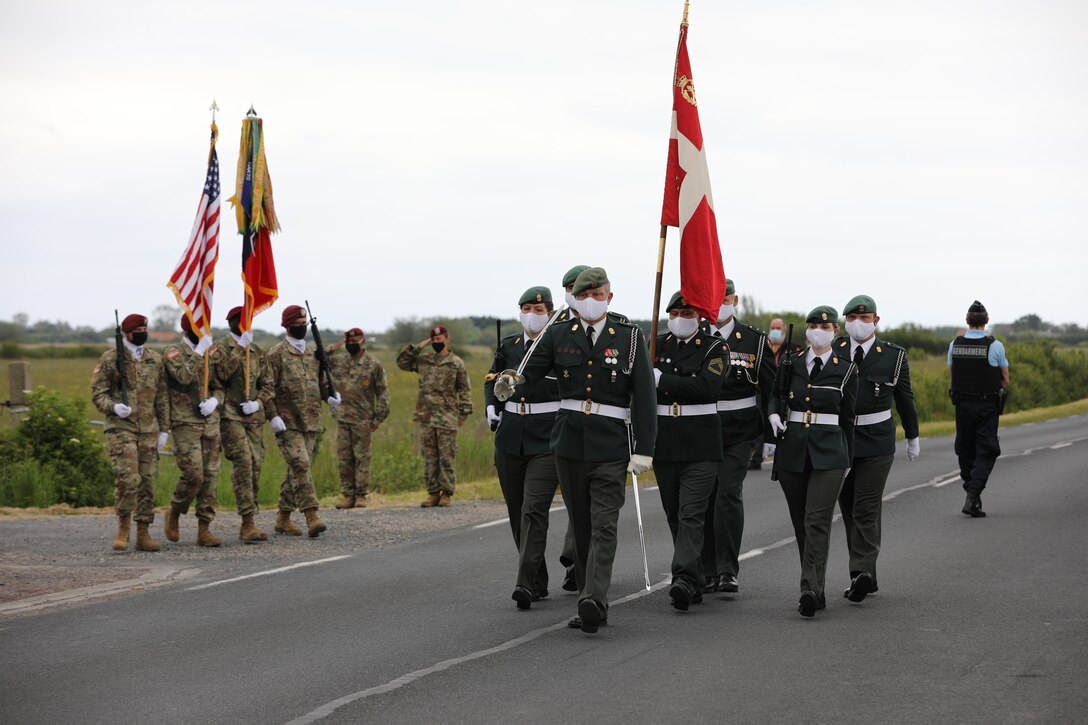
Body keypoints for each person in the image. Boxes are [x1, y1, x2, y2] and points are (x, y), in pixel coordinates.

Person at [494, 267, 657, 634]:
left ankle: (594, 599)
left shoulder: (630, 338)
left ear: (609, 298)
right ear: (574, 299)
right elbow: (529, 374)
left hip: (611, 444)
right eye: (584, 295)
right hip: (567, 444)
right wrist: (509, 383)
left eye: (598, 295)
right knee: (581, 525)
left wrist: (644, 448)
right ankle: (587, 592)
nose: (590, 301)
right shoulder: (557, 334)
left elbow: (645, 396)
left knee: (604, 523)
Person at [768, 305, 857, 618]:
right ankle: (816, 589)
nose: (818, 331)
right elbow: (776, 395)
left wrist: (848, 459)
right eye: (812, 325)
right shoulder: (791, 363)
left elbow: (848, 419)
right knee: (801, 522)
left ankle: (808, 588)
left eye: (825, 326)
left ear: (835, 331)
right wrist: (774, 415)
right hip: (793, 449)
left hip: (830, 453)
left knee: (816, 519)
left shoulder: (846, 368)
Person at [834, 295, 920, 601]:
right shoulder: (835, 350)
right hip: (840, 439)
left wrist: (913, 435)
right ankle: (865, 574)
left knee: (866, 507)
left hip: (877, 440)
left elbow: (905, 398)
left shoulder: (892, 355)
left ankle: (861, 573)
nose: (859, 324)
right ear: (845, 322)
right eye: (853, 319)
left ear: (876, 321)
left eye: (866, 319)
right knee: (848, 510)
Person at [484, 286, 563, 608]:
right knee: (517, 513)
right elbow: (492, 379)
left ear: (550, 313)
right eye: (527, 308)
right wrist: (491, 406)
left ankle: (526, 583)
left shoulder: (560, 346)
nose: (532, 314)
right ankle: (538, 579)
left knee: (533, 509)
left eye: (539, 309)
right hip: (510, 435)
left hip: (547, 437)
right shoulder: (510, 345)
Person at [700, 279, 776, 594]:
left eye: (725, 298)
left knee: (728, 495)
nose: (719, 304)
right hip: (701, 426)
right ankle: (705, 570)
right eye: (713, 298)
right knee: (703, 499)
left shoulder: (754, 341)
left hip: (740, 430)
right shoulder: (695, 336)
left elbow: (771, 389)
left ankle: (727, 569)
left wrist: (773, 434)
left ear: (735, 300)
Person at [653, 291, 727, 610]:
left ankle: (682, 577)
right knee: (674, 513)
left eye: (688, 314)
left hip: (701, 443)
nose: (681, 319)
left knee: (691, 512)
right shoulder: (654, 345)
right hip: (664, 441)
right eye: (676, 314)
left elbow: (705, 387)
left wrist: (661, 380)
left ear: (698, 317)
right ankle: (695, 577)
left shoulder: (715, 346)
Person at [91, 313, 169, 552]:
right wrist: (113, 407)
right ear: (127, 333)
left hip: (148, 429)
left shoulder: (155, 359)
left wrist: (164, 429)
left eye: (146, 328)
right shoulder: (111, 358)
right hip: (121, 428)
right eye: (139, 330)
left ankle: (143, 533)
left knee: (147, 481)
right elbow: (98, 394)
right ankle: (123, 528)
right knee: (128, 478)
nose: (143, 333)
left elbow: (162, 397)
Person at [264, 304, 339, 537]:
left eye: (303, 324)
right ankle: (312, 515)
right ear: (286, 326)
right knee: (300, 465)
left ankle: (283, 518)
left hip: (312, 420)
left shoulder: (314, 353)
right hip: (288, 422)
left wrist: (331, 396)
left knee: (297, 470)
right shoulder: (275, 355)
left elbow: (321, 383)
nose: (301, 328)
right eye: (296, 325)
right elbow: (267, 388)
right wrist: (272, 415)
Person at [162, 315, 226, 547]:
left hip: (210, 422)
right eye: (198, 330)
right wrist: (199, 353)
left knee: (210, 476)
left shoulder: (209, 351)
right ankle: (175, 511)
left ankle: (204, 529)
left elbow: (220, 386)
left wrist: (215, 401)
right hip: (185, 422)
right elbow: (183, 376)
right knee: (194, 474)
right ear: (187, 330)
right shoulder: (173, 352)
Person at [397, 324, 473, 507]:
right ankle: (432, 493)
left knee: (446, 456)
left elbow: (465, 389)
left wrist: (463, 414)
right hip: (426, 416)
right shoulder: (424, 360)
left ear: (447, 339)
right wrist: (418, 347)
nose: (437, 343)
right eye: (434, 340)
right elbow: (402, 363)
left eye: (440, 339)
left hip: (447, 416)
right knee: (430, 457)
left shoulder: (456, 363)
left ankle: (446, 493)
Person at [216, 305, 273, 543]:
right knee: (244, 463)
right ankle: (247, 522)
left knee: (256, 464)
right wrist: (240, 348)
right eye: (241, 320)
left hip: (253, 418)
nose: (245, 324)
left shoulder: (258, 351)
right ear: (231, 323)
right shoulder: (220, 348)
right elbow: (222, 374)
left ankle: (250, 520)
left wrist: (259, 403)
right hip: (230, 415)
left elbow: (268, 384)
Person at [948, 300, 1009, 518]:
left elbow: (953, 373)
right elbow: (1005, 378)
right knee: (988, 449)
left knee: (965, 449)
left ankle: (972, 495)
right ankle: (973, 494)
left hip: (962, 405)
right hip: (986, 405)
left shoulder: (955, 344)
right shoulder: (995, 346)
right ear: (986, 321)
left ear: (967, 321)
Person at [328, 328, 390, 509]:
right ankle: (348, 495)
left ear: (363, 342)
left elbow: (383, 393)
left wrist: (378, 418)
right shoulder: (338, 362)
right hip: (342, 417)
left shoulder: (373, 364)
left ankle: (361, 495)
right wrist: (334, 347)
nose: (352, 344)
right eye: (348, 341)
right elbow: (317, 358)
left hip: (363, 419)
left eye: (355, 340)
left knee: (362, 457)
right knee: (344, 458)